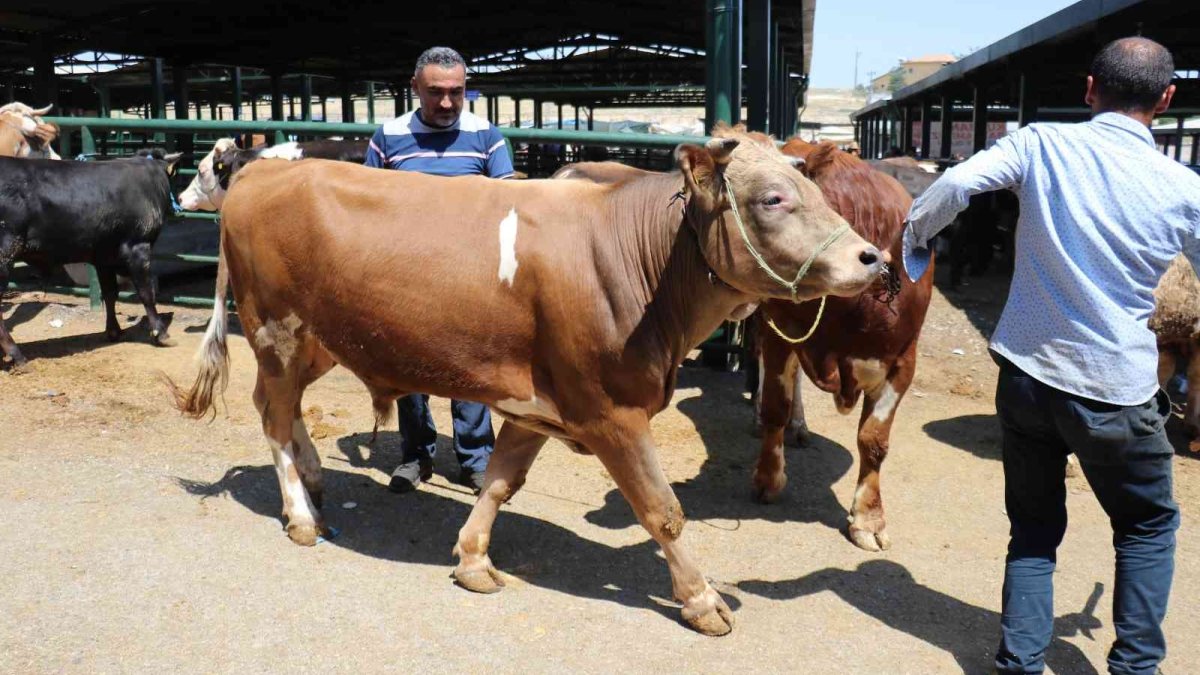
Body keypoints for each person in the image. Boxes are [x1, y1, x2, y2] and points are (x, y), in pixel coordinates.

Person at [902, 37, 1198, 674]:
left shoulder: (1039, 144)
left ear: (1090, 89)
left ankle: (1021, 663)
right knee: (1146, 527)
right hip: (1116, 388)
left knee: (1034, 531)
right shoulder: (1183, 187)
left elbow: (955, 183)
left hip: (1028, 379)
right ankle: (1135, 667)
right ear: (1168, 100)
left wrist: (918, 240)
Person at [364, 46, 515, 495]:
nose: (447, 103)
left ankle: (475, 459)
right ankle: (415, 455)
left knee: (471, 368)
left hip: (472, 279)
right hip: (405, 279)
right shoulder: (388, 137)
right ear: (415, 89)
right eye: (435, 93)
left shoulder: (486, 135)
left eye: (456, 92)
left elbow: (509, 207)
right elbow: (367, 209)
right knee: (409, 367)